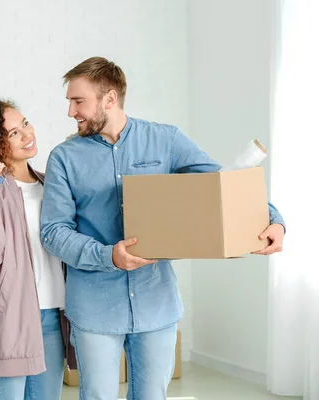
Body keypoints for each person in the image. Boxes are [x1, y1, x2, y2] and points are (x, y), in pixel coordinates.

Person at [40, 57, 286, 400]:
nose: (71, 111)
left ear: (109, 99)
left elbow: (220, 185)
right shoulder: (63, 157)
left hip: (156, 303)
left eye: (78, 101)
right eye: (70, 102)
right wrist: (108, 255)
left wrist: (273, 219)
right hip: (94, 307)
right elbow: (53, 231)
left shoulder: (165, 140)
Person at [0, 100, 71, 400]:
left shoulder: (49, 184)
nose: (27, 134)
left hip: (52, 315)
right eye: (13, 132)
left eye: (25, 123)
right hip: (9, 318)